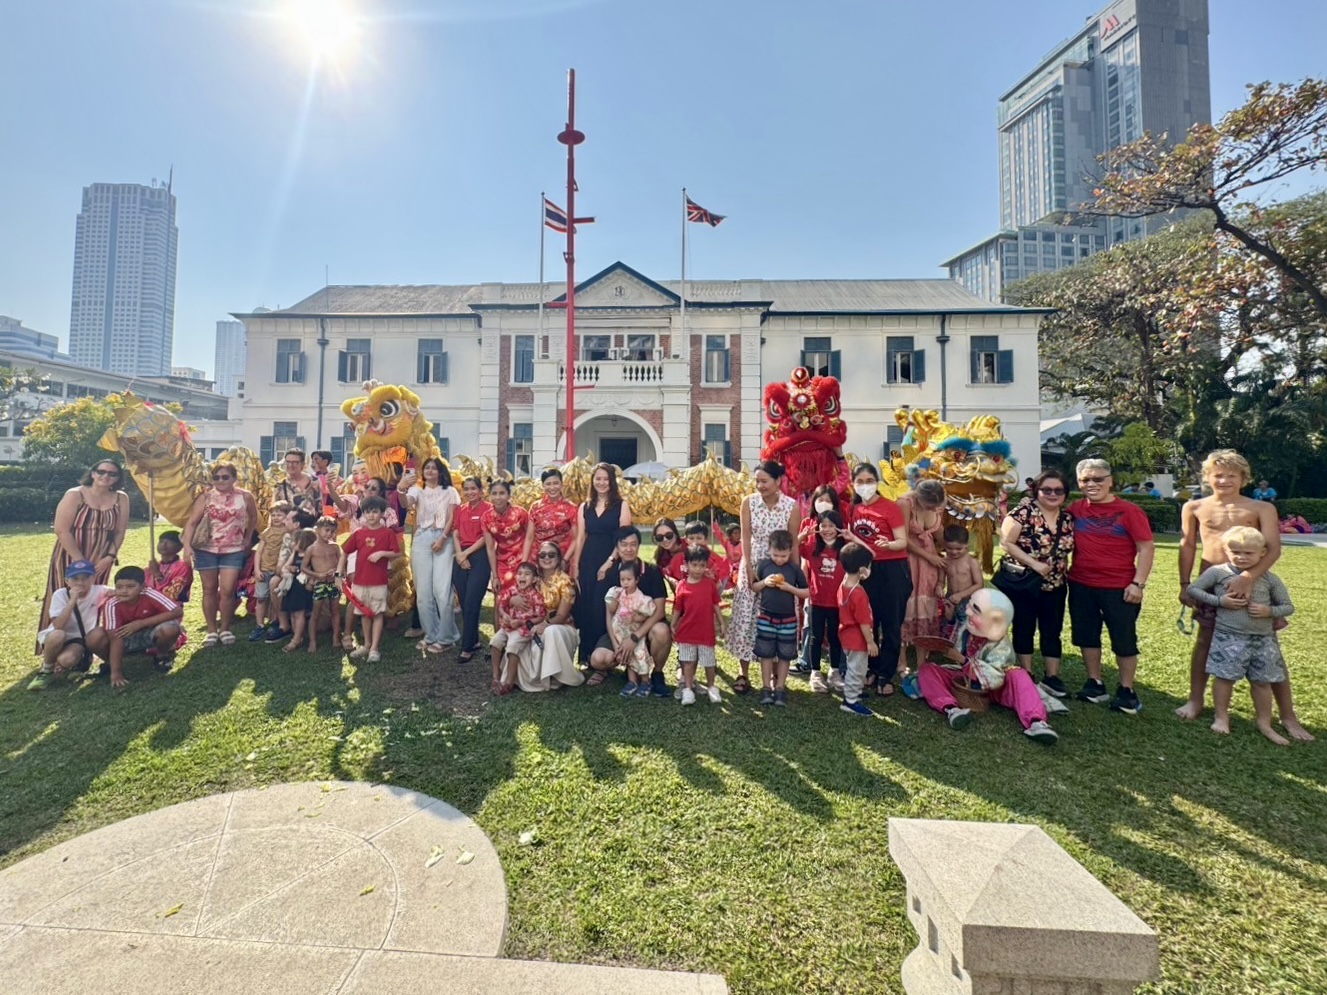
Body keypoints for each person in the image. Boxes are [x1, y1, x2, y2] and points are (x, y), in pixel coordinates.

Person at [1175, 451, 1310, 740]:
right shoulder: (1194, 507)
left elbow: (1273, 548)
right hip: (1212, 582)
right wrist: (1185, 584)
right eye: (1218, 475)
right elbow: (1187, 545)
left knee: (1269, 647)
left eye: (1231, 475)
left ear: (1243, 478)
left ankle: (1288, 715)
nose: (1224, 480)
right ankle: (1196, 700)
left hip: (1256, 585)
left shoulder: (1261, 508)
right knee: (1205, 641)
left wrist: (1248, 578)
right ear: (1207, 477)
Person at [1187, 526, 1295, 744]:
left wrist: (1269, 611)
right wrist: (1220, 601)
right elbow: (1194, 589)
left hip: (1262, 639)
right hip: (1228, 637)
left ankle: (1264, 722)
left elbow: (1288, 606)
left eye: (1248, 553)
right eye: (1235, 552)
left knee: (1262, 681)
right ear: (1226, 550)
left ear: (1262, 553)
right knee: (1225, 678)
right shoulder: (1217, 572)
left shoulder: (1269, 578)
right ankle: (1221, 717)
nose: (1241, 557)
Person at [1067, 458, 1154, 714]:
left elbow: (1146, 547)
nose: (1092, 484)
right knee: (1086, 635)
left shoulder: (1129, 511)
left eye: (1098, 479)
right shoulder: (1076, 509)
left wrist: (1138, 584)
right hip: (1081, 583)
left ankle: (1127, 690)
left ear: (1110, 481)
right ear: (1079, 483)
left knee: (1123, 638)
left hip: (1120, 586)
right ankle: (1095, 683)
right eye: (1086, 480)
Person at [918, 588, 1059, 745]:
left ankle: (1036, 722)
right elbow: (953, 641)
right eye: (970, 606)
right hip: (964, 680)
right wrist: (950, 619)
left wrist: (963, 661)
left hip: (997, 687)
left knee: (1020, 675)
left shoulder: (1000, 644)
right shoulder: (967, 628)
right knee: (927, 670)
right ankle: (951, 709)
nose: (968, 612)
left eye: (975, 610)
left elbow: (995, 677)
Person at [38, 459, 130, 651]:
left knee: (92, 600)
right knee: (63, 595)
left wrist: (110, 557)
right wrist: (79, 560)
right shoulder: (75, 494)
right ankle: (53, 648)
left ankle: (85, 648)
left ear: (117, 478)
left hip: (101, 558)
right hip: (70, 555)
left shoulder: (121, 498)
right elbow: (61, 530)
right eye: (101, 471)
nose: (105, 476)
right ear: (93, 473)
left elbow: (120, 532)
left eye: (112, 473)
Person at [998, 470, 1075, 695]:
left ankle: (1052, 677)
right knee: (1024, 627)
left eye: (1058, 490)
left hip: (1056, 584)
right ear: (1036, 491)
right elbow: (1006, 543)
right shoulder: (1022, 513)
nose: (1052, 494)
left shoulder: (1068, 518)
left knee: (1052, 629)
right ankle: (1026, 673)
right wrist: (1034, 563)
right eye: (1046, 490)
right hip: (1024, 582)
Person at [728, 461, 801, 695]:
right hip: (753, 565)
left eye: (764, 481)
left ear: (778, 481)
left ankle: (775, 676)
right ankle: (744, 673)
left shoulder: (791, 506)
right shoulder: (748, 503)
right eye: (757, 481)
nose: (759, 485)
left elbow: (794, 543)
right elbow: (745, 537)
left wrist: (796, 574)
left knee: (777, 617)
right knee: (747, 617)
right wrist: (749, 567)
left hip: (781, 568)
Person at [846, 462, 909, 697]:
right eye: (860, 482)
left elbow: (903, 541)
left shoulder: (890, 507)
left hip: (893, 570)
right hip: (867, 571)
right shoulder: (854, 509)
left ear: (877, 482)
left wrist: (889, 544)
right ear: (854, 484)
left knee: (891, 624)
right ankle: (871, 669)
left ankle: (885, 675)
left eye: (869, 481)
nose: (865, 486)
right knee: (869, 621)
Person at [181, 460, 259, 648]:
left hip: (233, 550)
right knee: (208, 590)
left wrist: (248, 537)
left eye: (225, 477)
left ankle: (225, 628)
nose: (220, 481)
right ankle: (211, 630)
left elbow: (253, 517)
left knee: (227, 590)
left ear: (234, 478)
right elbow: (192, 523)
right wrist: (187, 546)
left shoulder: (245, 496)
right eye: (216, 477)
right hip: (206, 549)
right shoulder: (206, 498)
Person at [586, 527, 673, 694]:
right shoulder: (611, 573)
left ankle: (657, 674)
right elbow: (609, 613)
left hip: (646, 628)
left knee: (662, 631)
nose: (629, 549)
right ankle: (629, 668)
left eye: (633, 544)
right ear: (617, 547)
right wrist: (617, 643)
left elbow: (660, 611)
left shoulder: (652, 571)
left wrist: (634, 637)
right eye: (624, 544)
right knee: (598, 659)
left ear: (639, 545)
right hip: (620, 628)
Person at [570, 462, 631, 663]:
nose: (602, 483)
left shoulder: (621, 506)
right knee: (587, 604)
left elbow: (623, 538)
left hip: (610, 560)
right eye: (598, 478)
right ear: (592, 481)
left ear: (612, 481)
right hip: (588, 560)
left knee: (602, 605)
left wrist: (609, 562)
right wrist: (575, 565)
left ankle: (604, 654)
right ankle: (587, 655)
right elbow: (580, 537)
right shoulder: (585, 506)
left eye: (606, 479)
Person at [86, 565, 184, 688]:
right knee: (93, 637)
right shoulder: (111, 604)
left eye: (130, 587)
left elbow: (177, 611)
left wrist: (140, 623)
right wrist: (116, 674)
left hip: (151, 632)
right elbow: (115, 638)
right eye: (119, 587)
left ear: (143, 587)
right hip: (126, 637)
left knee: (170, 629)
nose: (124, 591)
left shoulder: (150, 593)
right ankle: (111, 664)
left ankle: (161, 656)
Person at [405, 457, 461, 655]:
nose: (429, 470)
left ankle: (446, 638)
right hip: (422, 538)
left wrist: (443, 538)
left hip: (443, 538)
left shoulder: (450, 491)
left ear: (440, 471)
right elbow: (406, 503)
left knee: (442, 591)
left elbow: (453, 518)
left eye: (433, 468)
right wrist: (402, 489)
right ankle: (431, 635)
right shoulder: (416, 490)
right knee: (423, 594)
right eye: (427, 467)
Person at [338, 496, 402, 663]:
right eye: (367, 512)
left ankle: (374, 648)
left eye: (375, 512)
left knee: (377, 614)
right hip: (360, 581)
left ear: (382, 513)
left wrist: (382, 554)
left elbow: (397, 552)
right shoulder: (358, 533)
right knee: (364, 614)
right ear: (363, 514)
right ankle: (366, 645)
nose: (371, 515)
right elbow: (345, 552)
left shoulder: (387, 533)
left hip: (378, 581)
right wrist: (338, 574)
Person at [30, 560, 112, 690]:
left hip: (77, 640)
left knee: (67, 660)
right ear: (67, 581)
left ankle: (65, 663)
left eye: (85, 578)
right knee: (58, 634)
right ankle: (46, 670)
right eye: (75, 578)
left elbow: (120, 592)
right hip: (56, 636)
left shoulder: (99, 591)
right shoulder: (60, 594)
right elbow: (58, 625)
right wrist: (72, 600)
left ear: (93, 579)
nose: (80, 582)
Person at [513, 540, 583, 692]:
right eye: (542, 555)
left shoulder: (566, 581)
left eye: (551, 555)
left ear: (558, 558)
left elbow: (562, 615)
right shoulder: (534, 580)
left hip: (562, 628)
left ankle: (557, 676)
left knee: (551, 631)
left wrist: (544, 624)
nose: (546, 558)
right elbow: (516, 596)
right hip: (534, 625)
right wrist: (514, 600)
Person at [753, 529, 809, 707]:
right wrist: (764, 582)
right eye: (775, 555)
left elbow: (806, 592)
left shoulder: (794, 568)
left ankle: (780, 688)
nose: (779, 559)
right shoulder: (763, 565)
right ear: (769, 549)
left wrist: (789, 588)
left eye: (783, 556)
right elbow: (754, 587)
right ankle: (765, 687)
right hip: (766, 616)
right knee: (766, 654)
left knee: (785, 655)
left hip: (788, 619)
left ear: (790, 551)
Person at [899, 480, 947, 675]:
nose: (934, 510)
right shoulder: (905, 503)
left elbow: (940, 533)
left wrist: (955, 550)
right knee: (906, 608)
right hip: (910, 560)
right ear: (919, 498)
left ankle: (922, 662)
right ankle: (901, 660)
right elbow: (902, 539)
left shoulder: (936, 504)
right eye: (930, 506)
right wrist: (929, 556)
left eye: (937, 507)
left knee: (925, 607)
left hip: (929, 565)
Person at [800, 510, 848, 693]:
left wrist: (850, 537)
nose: (827, 529)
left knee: (836, 637)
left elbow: (866, 554)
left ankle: (834, 672)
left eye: (831, 525)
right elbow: (791, 547)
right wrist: (803, 536)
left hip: (837, 603)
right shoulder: (812, 547)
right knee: (816, 637)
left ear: (838, 527)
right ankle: (815, 673)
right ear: (817, 528)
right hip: (817, 601)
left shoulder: (845, 549)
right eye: (823, 526)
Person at [672, 544, 726, 705]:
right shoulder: (682, 585)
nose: (698, 569)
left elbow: (716, 605)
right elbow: (677, 608)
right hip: (687, 631)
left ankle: (712, 687)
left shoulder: (709, 584)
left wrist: (722, 623)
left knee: (709, 663)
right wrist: (673, 624)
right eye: (694, 565)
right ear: (686, 564)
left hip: (705, 632)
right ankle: (688, 689)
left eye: (702, 565)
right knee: (688, 662)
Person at [489, 562, 548, 695]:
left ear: (534, 579)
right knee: (495, 642)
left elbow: (540, 616)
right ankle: (496, 675)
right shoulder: (511, 591)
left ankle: (509, 682)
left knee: (512, 647)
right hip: (507, 627)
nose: (522, 577)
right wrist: (504, 615)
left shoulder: (536, 596)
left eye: (527, 574)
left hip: (523, 630)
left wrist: (522, 622)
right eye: (520, 574)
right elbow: (501, 605)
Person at [452, 476, 493, 664]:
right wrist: (460, 555)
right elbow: (455, 533)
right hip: (461, 556)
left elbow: (486, 537)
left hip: (480, 556)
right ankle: (474, 640)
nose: (470, 492)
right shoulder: (461, 510)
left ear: (481, 491)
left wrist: (467, 553)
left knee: (472, 602)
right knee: (464, 602)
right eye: (466, 489)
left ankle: (467, 648)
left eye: (473, 488)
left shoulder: (488, 510)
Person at [604, 561, 657, 697]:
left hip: (634, 632)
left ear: (636, 580)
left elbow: (649, 613)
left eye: (629, 579)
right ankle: (632, 681)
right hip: (621, 632)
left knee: (639, 654)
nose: (625, 583)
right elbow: (610, 605)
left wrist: (635, 618)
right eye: (622, 580)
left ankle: (645, 681)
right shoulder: (619, 593)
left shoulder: (641, 598)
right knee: (628, 656)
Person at [837, 543, 877, 717]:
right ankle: (850, 701)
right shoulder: (859, 593)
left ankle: (855, 691)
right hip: (858, 638)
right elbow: (863, 622)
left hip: (846, 635)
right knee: (857, 669)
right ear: (862, 569)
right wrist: (870, 642)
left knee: (854, 667)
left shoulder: (843, 584)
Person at [250, 501, 293, 641]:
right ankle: (259, 625)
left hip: (277, 571)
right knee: (261, 598)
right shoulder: (266, 533)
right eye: (273, 515)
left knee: (275, 598)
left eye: (279, 515)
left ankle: (276, 621)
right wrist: (257, 570)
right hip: (264, 570)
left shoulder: (288, 532)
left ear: (287, 516)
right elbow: (258, 552)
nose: (275, 518)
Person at [483, 479, 532, 596]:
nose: (498, 497)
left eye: (502, 493)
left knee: (524, 595)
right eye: (494, 493)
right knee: (502, 596)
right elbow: (490, 548)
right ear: (490, 496)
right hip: (502, 561)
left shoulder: (521, 513)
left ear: (509, 495)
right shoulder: (486, 517)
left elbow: (530, 537)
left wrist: (524, 564)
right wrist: (495, 575)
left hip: (524, 557)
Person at [305, 516, 343, 654]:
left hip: (333, 583)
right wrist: (316, 575)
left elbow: (341, 564)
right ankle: (312, 641)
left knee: (335, 610)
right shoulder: (311, 549)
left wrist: (338, 577)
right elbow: (304, 567)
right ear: (317, 530)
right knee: (316, 612)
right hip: (320, 583)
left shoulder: (335, 547)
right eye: (326, 530)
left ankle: (336, 638)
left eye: (332, 531)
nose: (329, 534)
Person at [525, 468, 579, 562]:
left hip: (561, 559)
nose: (552, 487)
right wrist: (524, 562)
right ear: (543, 485)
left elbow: (576, 538)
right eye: (548, 484)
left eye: (555, 483)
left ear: (561, 484)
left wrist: (564, 560)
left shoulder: (571, 508)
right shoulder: (535, 507)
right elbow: (529, 537)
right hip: (539, 558)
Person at [277, 528, 317, 653]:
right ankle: (297, 636)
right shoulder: (294, 554)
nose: (292, 543)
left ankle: (296, 639)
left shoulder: (310, 556)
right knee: (293, 613)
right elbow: (285, 567)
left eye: (295, 541)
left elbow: (314, 571)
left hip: (302, 588)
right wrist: (290, 568)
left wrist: (311, 581)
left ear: (304, 542)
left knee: (299, 613)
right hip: (293, 586)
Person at [941, 526, 985, 629]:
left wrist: (961, 595)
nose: (954, 552)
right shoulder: (945, 562)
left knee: (965, 628)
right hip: (951, 599)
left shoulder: (971, 562)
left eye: (958, 549)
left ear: (967, 546)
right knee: (948, 627)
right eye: (949, 548)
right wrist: (939, 587)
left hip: (968, 601)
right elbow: (940, 581)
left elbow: (979, 584)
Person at [664, 520, 729, 589]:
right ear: (686, 540)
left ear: (705, 540)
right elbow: (666, 573)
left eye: (699, 538)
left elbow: (718, 584)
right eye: (691, 538)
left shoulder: (709, 561)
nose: (695, 542)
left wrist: (712, 579)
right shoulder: (678, 558)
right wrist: (674, 581)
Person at [147, 531, 194, 605]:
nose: (163, 544)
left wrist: (158, 575)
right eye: (161, 541)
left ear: (179, 547)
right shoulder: (154, 566)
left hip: (171, 607)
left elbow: (172, 595)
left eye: (169, 542)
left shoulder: (183, 567)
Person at [274, 448, 322, 514]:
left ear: (302, 464)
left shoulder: (315, 482)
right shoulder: (280, 486)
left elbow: (322, 506)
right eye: (288, 462)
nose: (290, 465)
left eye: (295, 462)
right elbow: (274, 510)